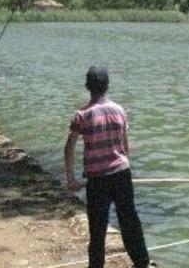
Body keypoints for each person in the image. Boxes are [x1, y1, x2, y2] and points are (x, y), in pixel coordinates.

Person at [64, 66, 152, 268]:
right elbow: (125, 146)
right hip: (121, 173)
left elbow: (69, 147)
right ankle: (142, 262)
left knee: (97, 228)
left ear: (87, 87)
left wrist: (70, 179)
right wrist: (126, 171)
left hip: (98, 179)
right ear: (107, 86)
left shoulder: (81, 115)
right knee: (130, 220)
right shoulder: (120, 111)